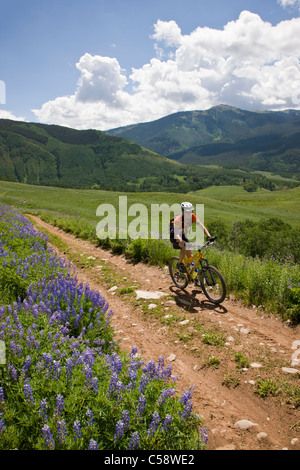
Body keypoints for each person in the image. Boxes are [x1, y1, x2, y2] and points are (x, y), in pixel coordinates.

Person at [170, 202, 211, 272]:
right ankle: (179, 264)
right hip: (174, 235)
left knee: (190, 255)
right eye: (186, 212)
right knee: (184, 246)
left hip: (182, 234)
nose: (189, 213)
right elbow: (176, 234)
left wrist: (209, 236)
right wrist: (181, 242)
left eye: (190, 211)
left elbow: (202, 227)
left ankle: (192, 271)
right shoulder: (178, 219)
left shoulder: (193, 216)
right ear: (182, 211)